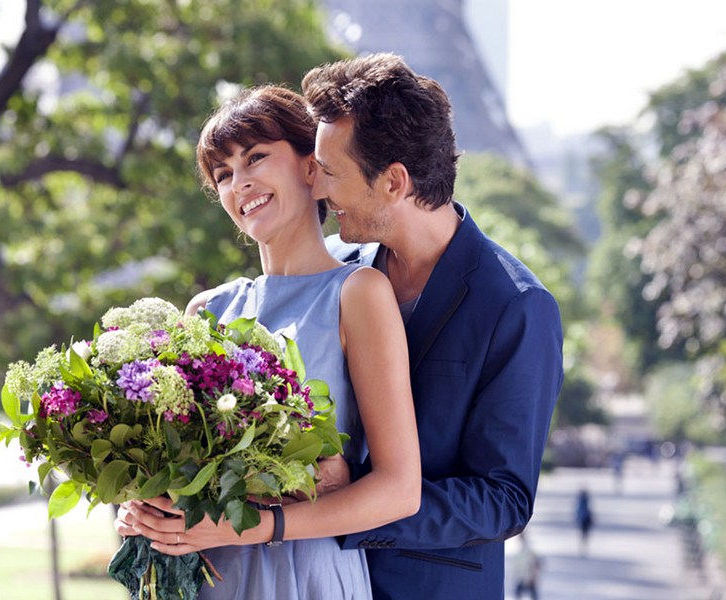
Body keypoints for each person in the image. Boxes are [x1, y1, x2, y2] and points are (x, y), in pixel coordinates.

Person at [114, 85, 421, 599]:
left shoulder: (357, 293)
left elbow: (399, 489)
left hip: (305, 575)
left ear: (311, 168)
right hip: (211, 575)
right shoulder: (206, 311)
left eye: (256, 158)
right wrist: (144, 504)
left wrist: (260, 523)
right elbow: (177, 466)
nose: (241, 182)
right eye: (224, 174)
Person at [300, 53, 564, 600]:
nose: (318, 192)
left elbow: (504, 498)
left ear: (394, 181)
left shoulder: (518, 306)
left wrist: (358, 508)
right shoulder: (329, 270)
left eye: (330, 173)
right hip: (310, 578)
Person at [511, 532, 541, 600]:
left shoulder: (528, 550)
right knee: (518, 593)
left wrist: (533, 577)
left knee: (532, 594)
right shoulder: (521, 549)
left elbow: (536, 564)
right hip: (521, 577)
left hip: (528, 577)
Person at [576, 488, 594, 555]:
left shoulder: (583, 501)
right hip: (584, 519)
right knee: (584, 533)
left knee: (584, 533)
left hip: (584, 519)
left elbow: (579, 511)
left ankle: (583, 544)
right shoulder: (584, 501)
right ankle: (583, 544)